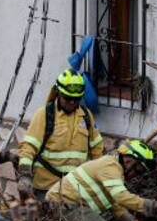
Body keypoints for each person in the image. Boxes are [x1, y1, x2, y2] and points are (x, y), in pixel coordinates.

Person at [45, 141, 157, 221]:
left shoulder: (113, 168)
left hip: (66, 204)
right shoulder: (110, 166)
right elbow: (121, 196)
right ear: (128, 160)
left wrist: (129, 220)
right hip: (64, 204)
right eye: (138, 169)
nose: (136, 175)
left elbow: (112, 201)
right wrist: (153, 206)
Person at [16, 70, 103, 202]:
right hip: (46, 188)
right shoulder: (44, 115)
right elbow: (28, 148)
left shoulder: (86, 116)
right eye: (67, 98)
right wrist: (24, 175)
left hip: (75, 189)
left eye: (76, 99)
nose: (72, 103)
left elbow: (97, 149)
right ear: (58, 93)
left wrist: (101, 176)